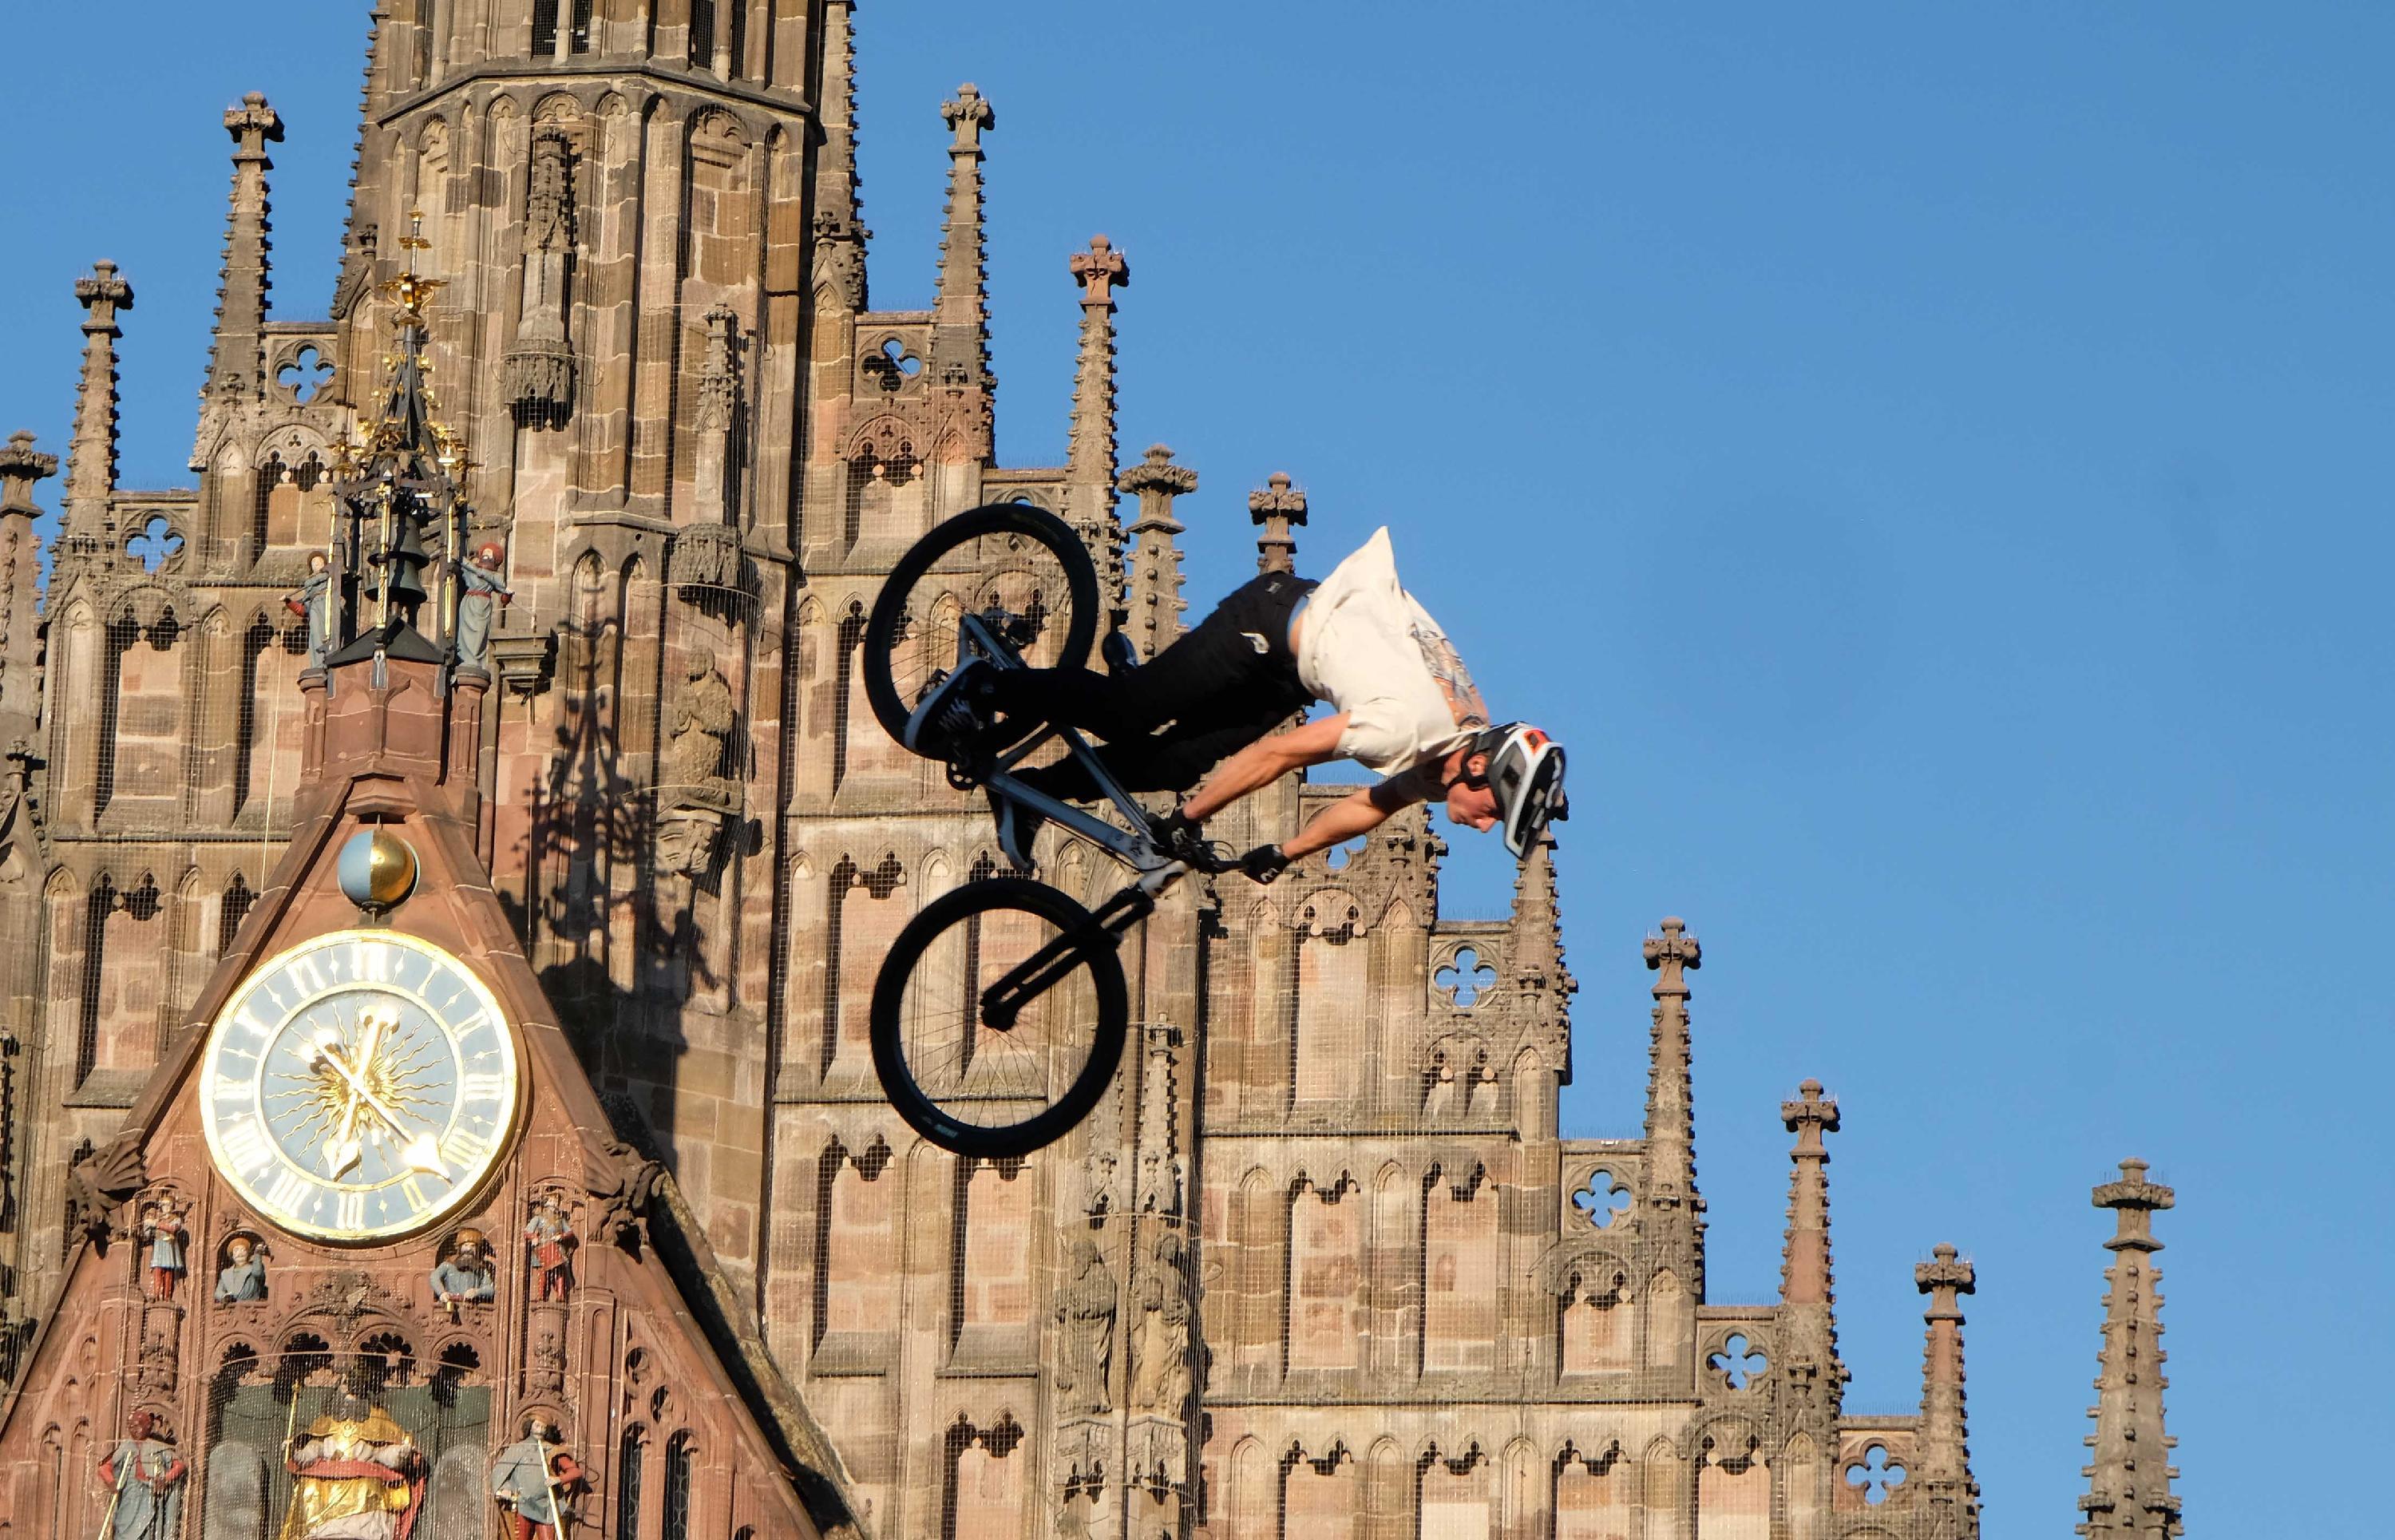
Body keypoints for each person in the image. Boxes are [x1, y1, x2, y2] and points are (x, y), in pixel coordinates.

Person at [908, 526, 1566, 874]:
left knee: (1175, 763)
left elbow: (1371, 806)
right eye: (1493, 812)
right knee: (1130, 711)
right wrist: (1191, 818)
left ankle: (1033, 792)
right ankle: (979, 686)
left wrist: (1285, 852)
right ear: (1478, 769)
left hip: (1293, 674)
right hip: (1270, 623)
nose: (1484, 826)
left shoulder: (1451, 752)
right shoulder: (1407, 728)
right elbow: (1279, 754)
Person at [282, 1392, 423, 1540]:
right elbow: (313, 1450)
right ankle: (317, 1531)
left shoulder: (378, 1420)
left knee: (368, 1486)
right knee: (309, 1485)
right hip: (329, 1477)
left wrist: (401, 1454)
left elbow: (384, 1454)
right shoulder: (325, 1424)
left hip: (364, 1478)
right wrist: (295, 1453)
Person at [489, 1417, 585, 1540]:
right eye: (537, 1426)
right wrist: (506, 1490)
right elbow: (500, 1472)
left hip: (546, 1507)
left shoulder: (551, 1450)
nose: (540, 1430)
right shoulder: (518, 1449)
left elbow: (576, 1472)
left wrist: (558, 1479)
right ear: (530, 1427)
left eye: (543, 1427)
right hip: (524, 1505)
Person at [95, 1409, 186, 1540]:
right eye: (131, 1427)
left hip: (150, 1494)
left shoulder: (157, 1447)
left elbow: (179, 1466)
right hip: (129, 1495)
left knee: (147, 1530)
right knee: (123, 1529)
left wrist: (165, 1479)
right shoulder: (125, 1447)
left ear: (148, 1426)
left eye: (137, 1426)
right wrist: (111, 1482)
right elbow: (104, 1468)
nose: (134, 1430)